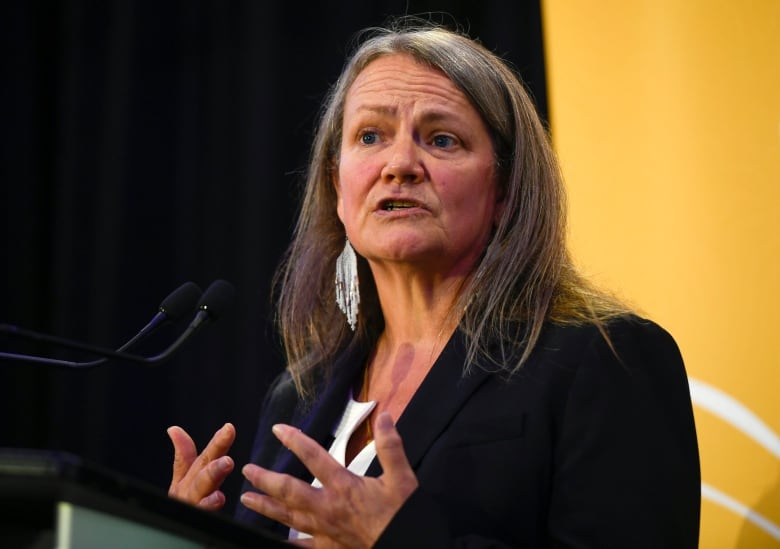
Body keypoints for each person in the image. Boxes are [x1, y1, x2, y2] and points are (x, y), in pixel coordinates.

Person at [166, 17, 701, 548]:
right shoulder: (298, 396)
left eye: (442, 140)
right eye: (370, 136)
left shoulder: (602, 359)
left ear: (506, 191)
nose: (399, 164)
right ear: (337, 189)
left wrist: (402, 541)